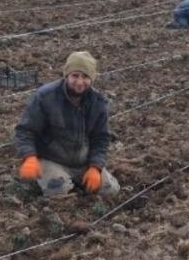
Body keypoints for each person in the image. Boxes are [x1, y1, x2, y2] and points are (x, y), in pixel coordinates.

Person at [15, 51, 119, 199]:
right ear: (66, 75)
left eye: (85, 77)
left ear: (92, 79)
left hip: (82, 162)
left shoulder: (98, 103)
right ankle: (42, 179)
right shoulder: (45, 97)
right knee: (58, 190)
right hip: (51, 159)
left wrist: (95, 167)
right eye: (75, 76)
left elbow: (101, 138)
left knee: (110, 191)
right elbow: (25, 130)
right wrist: (29, 157)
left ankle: (77, 180)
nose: (79, 82)